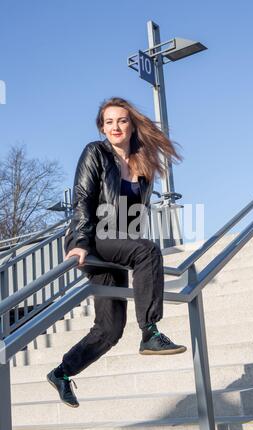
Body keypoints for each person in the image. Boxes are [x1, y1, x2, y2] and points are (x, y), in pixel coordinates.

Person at [47, 97, 187, 408]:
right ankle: (150, 330)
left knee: (110, 330)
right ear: (102, 128)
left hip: (120, 241)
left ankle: (62, 372)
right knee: (149, 253)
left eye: (121, 121)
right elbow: (83, 199)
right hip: (96, 236)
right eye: (108, 122)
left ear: (132, 124)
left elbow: (136, 212)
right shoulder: (95, 152)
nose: (115, 127)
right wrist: (80, 243)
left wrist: (131, 245)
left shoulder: (142, 164)